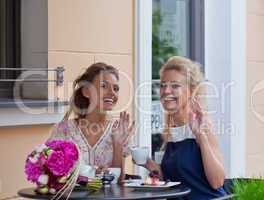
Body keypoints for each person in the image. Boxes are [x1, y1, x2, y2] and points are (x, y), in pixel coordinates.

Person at [140, 56, 226, 199]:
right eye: (162, 85)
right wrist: (149, 164)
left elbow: (217, 182)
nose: (166, 91)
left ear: (191, 91)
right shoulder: (171, 129)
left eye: (175, 85)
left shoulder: (202, 125)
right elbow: (174, 181)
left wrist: (201, 137)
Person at [48, 62, 134, 181]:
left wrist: (118, 145)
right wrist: (90, 174)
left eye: (116, 88)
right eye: (104, 86)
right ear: (86, 92)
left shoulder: (118, 131)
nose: (112, 93)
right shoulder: (63, 130)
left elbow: (118, 184)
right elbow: (51, 175)